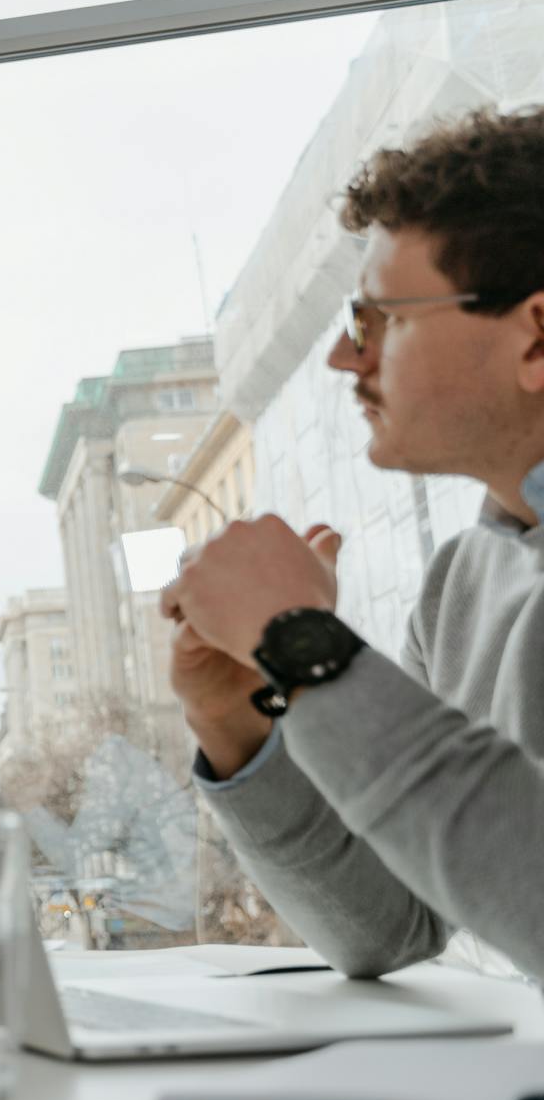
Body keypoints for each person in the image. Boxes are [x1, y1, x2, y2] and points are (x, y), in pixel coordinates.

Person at [159, 107, 544, 982]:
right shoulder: (464, 581)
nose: (343, 356)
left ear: (536, 336)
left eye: (382, 320)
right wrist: (236, 724)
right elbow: (393, 924)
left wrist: (305, 644)